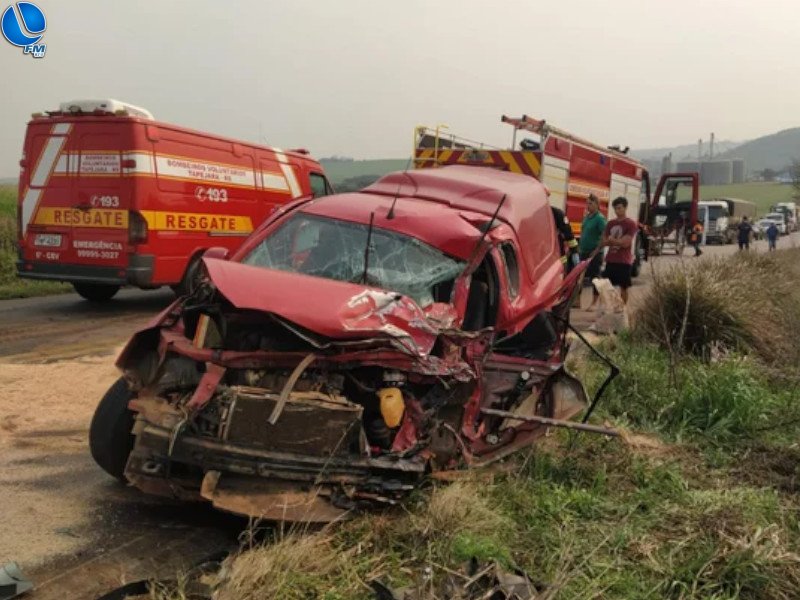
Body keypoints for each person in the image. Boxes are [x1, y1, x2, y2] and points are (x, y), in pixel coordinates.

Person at [600, 196, 637, 306]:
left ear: (625, 208)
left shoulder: (630, 224)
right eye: (615, 208)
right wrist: (614, 241)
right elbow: (604, 241)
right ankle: (607, 309)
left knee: (623, 287)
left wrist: (613, 240)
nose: (617, 211)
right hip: (611, 260)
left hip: (623, 261)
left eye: (620, 208)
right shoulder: (611, 223)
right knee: (605, 287)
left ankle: (623, 309)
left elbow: (625, 243)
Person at [578, 193, 607, 309]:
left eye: (590, 203)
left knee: (595, 278)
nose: (588, 206)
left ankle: (594, 303)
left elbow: (604, 236)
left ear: (597, 204)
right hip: (583, 251)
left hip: (594, 253)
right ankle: (577, 301)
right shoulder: (586, 217)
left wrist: (597, 249)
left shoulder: (599, 219)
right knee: (579, 277)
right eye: (587, 203)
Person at [551, 205, 579, 272]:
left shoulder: (556, 213)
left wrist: (574, 251)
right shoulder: (556, 212)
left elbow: (568, 234)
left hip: (558, 255)